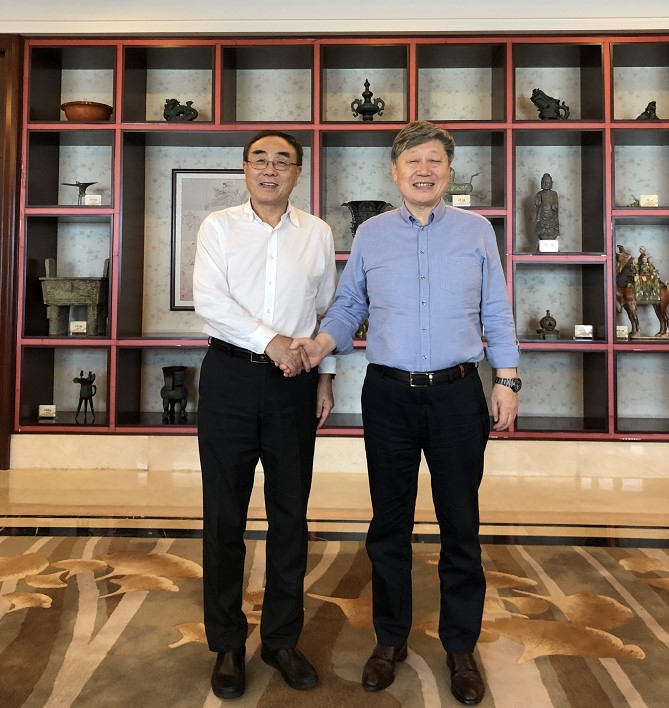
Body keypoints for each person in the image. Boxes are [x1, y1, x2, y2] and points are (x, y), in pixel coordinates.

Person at [287, 121, 520, 705]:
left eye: (434, 160)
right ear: (395, 173)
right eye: (413, 161)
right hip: (388, 394)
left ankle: (460, 646)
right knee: (389, 524)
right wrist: (320, 345)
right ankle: (389, 640)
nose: (424, 170)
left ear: (448, 171)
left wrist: (507, 378)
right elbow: (349, 305)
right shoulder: (371, 234)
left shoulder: (476, 231)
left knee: (460, 524)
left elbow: (496, 308)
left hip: (458, 394)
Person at [193, 129, 337, 699]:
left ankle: (281, 640)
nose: (270, 169)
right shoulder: (218, 227)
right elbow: (210, 301)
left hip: (294, 384)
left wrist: (325, 377)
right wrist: (270, 341)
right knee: (223, 515)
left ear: (298, 173)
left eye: (283, 161)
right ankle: (227, 642)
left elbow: (326, 311)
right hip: (229, 378)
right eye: (261, 159)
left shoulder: (317, 232)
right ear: (245, 167)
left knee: (290, 514)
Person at [534, 172, 559, 243]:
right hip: (542, 213)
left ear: (551, 184)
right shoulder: (539, 194)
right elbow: (536, 204)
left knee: (551, 227)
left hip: (551, 215)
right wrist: (537, 203)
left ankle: (551, 233)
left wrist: (554, 206)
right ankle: (543, 234)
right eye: (544, 182)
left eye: (548, 182)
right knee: (542, 228)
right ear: (541, 183)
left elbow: (556, 205)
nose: (546, 184)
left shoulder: (554, 194)